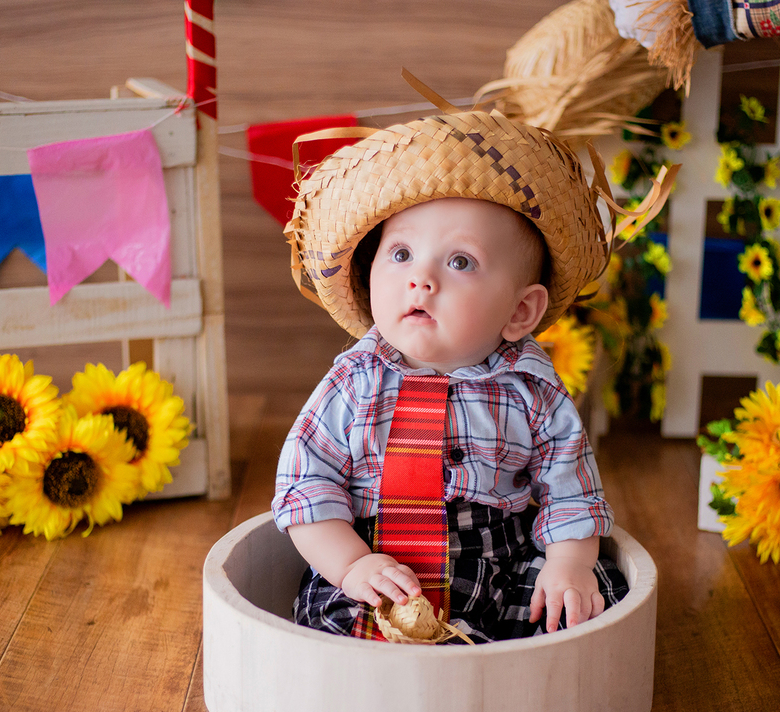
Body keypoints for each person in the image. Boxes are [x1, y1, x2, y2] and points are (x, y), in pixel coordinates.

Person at [273, 109, 665, 642]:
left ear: (520, 311)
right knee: (330, 619)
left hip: (496, 568)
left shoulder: (532, 392)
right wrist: (350, 564)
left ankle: (501, 660)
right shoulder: (352, 383)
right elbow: (305, 485)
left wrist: (568, 565)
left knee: (588, 598)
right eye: (402, 253)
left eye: (460, 262)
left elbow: (570, 495)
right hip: (380, 567)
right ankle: (404, 664)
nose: (421, 278)